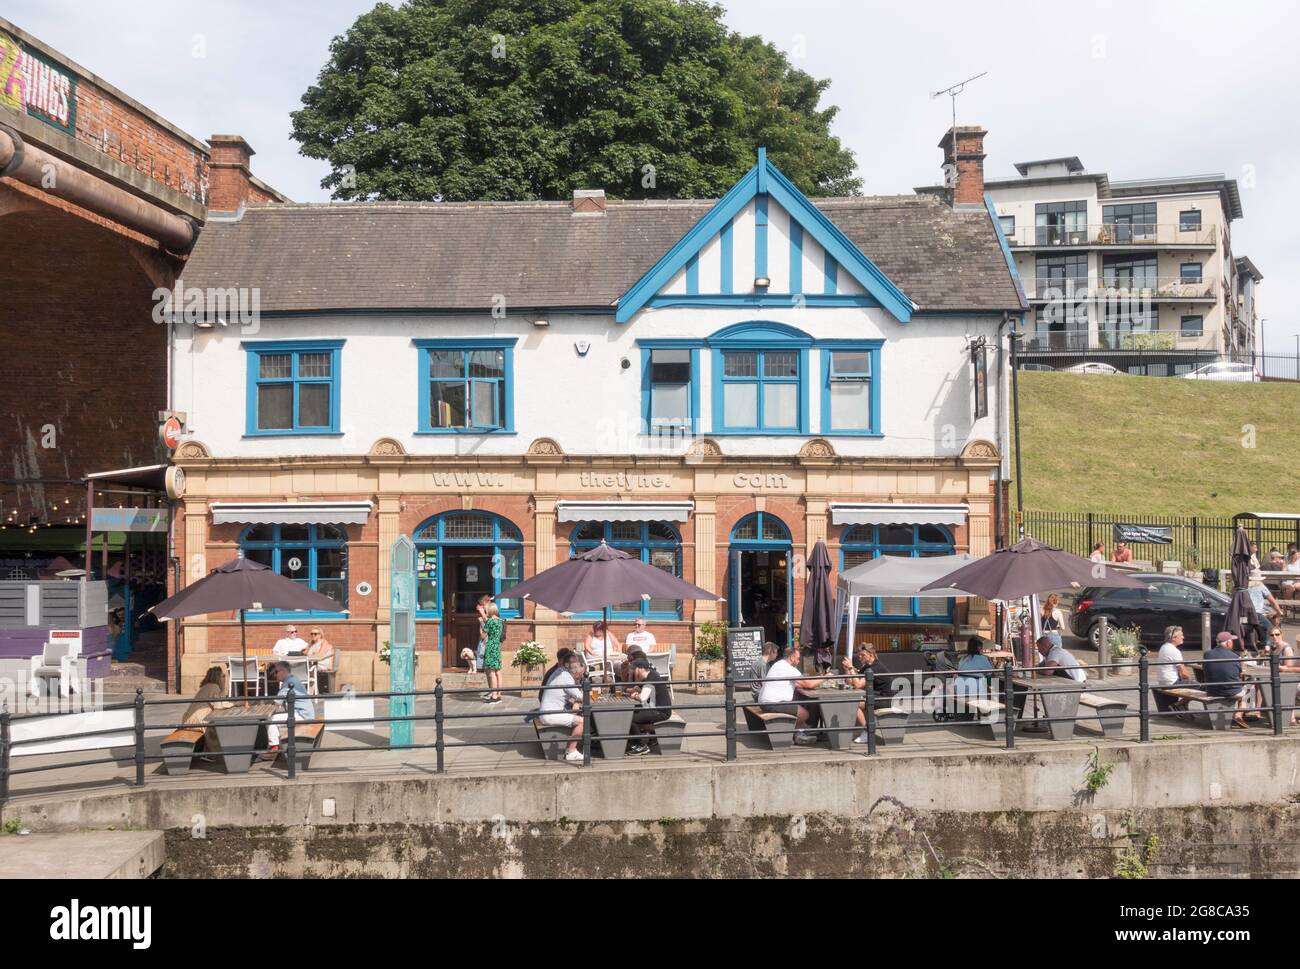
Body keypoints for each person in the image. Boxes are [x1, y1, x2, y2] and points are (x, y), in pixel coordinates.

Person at [758, 644, 825, 743]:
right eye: (798, 658)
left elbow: (798, 683)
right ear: (792, 657)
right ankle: (793, 734)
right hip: (772, 703)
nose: (798, 661)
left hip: (765, 702)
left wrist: (807, 683)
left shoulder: (779, 664)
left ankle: (797, 733)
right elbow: (809, 684)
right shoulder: (788, 668)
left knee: (798, 703)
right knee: (804, 714)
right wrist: (826, 677)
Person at [260, 661, 316, 758]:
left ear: (283, 671)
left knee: (271, 719)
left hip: (302, 715)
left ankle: (274, 748)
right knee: (275, 718)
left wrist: (261, 703)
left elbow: (277, 704)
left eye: (276, 672)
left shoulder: (289, 683)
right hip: (305, 713)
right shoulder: (292, 679)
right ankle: (276, 745)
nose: (274, 674)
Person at [538, 652, 586, 763]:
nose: (577, 667)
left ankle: (578, 745)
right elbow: (582, 697)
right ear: (569, 665)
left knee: (577, 711)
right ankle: (571, 751)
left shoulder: (560, 672)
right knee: (582, 721)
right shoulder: (565, 677)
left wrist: (576, 701)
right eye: (575, 664)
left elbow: (569, 696)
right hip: (550, 714)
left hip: (550, 711)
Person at [1200, 631, 1248, 729]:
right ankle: (1239, 715)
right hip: (1230, 691)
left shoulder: (1207, 654)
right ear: (1228, 643)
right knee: (1249, 688)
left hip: (1211, 691)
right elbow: (1240, 674)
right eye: (1232, 641)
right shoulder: (1234, 656)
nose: (1233, 643)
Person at [627, 658, 673, 755]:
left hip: (660, 711)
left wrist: (634, 695)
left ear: (640, 669)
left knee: (630, 718)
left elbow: (643, 698)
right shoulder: (651, 675)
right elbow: (649, 692)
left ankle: (641, 746)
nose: (632, 672)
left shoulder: (650, 679)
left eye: (633, 670)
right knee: (631, 712)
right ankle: (652, 738)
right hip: (656, 708)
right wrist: (637, 689)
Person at [1152, 625, 1197, 716]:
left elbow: (1179, 670)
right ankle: (1178, 704)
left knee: (1192, 683)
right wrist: (1191, 680)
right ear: (1173, 638)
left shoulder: (1164, 647)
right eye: (1181, 635)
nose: (1183, 637)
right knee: (1201, 685)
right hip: (1171, 683)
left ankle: (1183, 705)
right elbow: (1184, 672)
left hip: (1164, 681)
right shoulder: (1174, 651)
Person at [955, 637, 995, 710]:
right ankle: (984, 710)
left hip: (959, 688)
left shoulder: (963, 658)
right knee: (989, 688)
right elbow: (990, 673)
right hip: (974, 689)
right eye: (982, 648)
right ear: (979, 648)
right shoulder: (983, 658)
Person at [478, 602, 505, 704]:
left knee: (491, 673)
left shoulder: (489, 621)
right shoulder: (500, 621)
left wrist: (481, 625)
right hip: (497, 646)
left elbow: (483, 636)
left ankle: (493, 696)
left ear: (490, 610)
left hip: (490, 647)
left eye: (486, 610)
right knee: (498, 671)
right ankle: (499, 695)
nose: (486, 611)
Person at [305, 627, 337, 694]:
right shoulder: (311, 643)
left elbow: (320, 654)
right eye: (311, 634)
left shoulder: (324, 642)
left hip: (322, 664)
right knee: (303, 666)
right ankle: (308, 691)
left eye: (315, 634)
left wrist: (312, 654)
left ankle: (309, 692)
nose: (313, 635)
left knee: (307, 668)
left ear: (320, 635)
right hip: (314, 662)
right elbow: (305, 653)